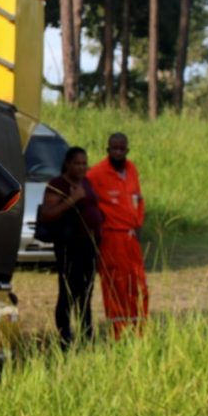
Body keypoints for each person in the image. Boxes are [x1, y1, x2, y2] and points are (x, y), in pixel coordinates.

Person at [86, 132, 149, 339]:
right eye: (114, 148)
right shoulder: (97, 173)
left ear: (127, 150)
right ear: (108, 150)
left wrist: (139, 224)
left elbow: (137, 198)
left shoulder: (131, 169)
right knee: (116, 285)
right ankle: (119, 333)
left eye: (122, 148)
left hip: (131, 238)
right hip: (112, 238)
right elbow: (86, 200)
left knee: (138, 284)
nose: (118, 152)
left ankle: (139, 329)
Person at [39, 146, 102, 348]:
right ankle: (64, 337)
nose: (82, 167)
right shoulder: (57, 184)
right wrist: (72, 200)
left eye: (84, 163)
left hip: (89, 245)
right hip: (69, 245)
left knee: (87, 292)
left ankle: (86, 334)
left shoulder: (86, 183)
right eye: (77, 163)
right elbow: (48, 214)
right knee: (68, 292)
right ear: (67, 163)